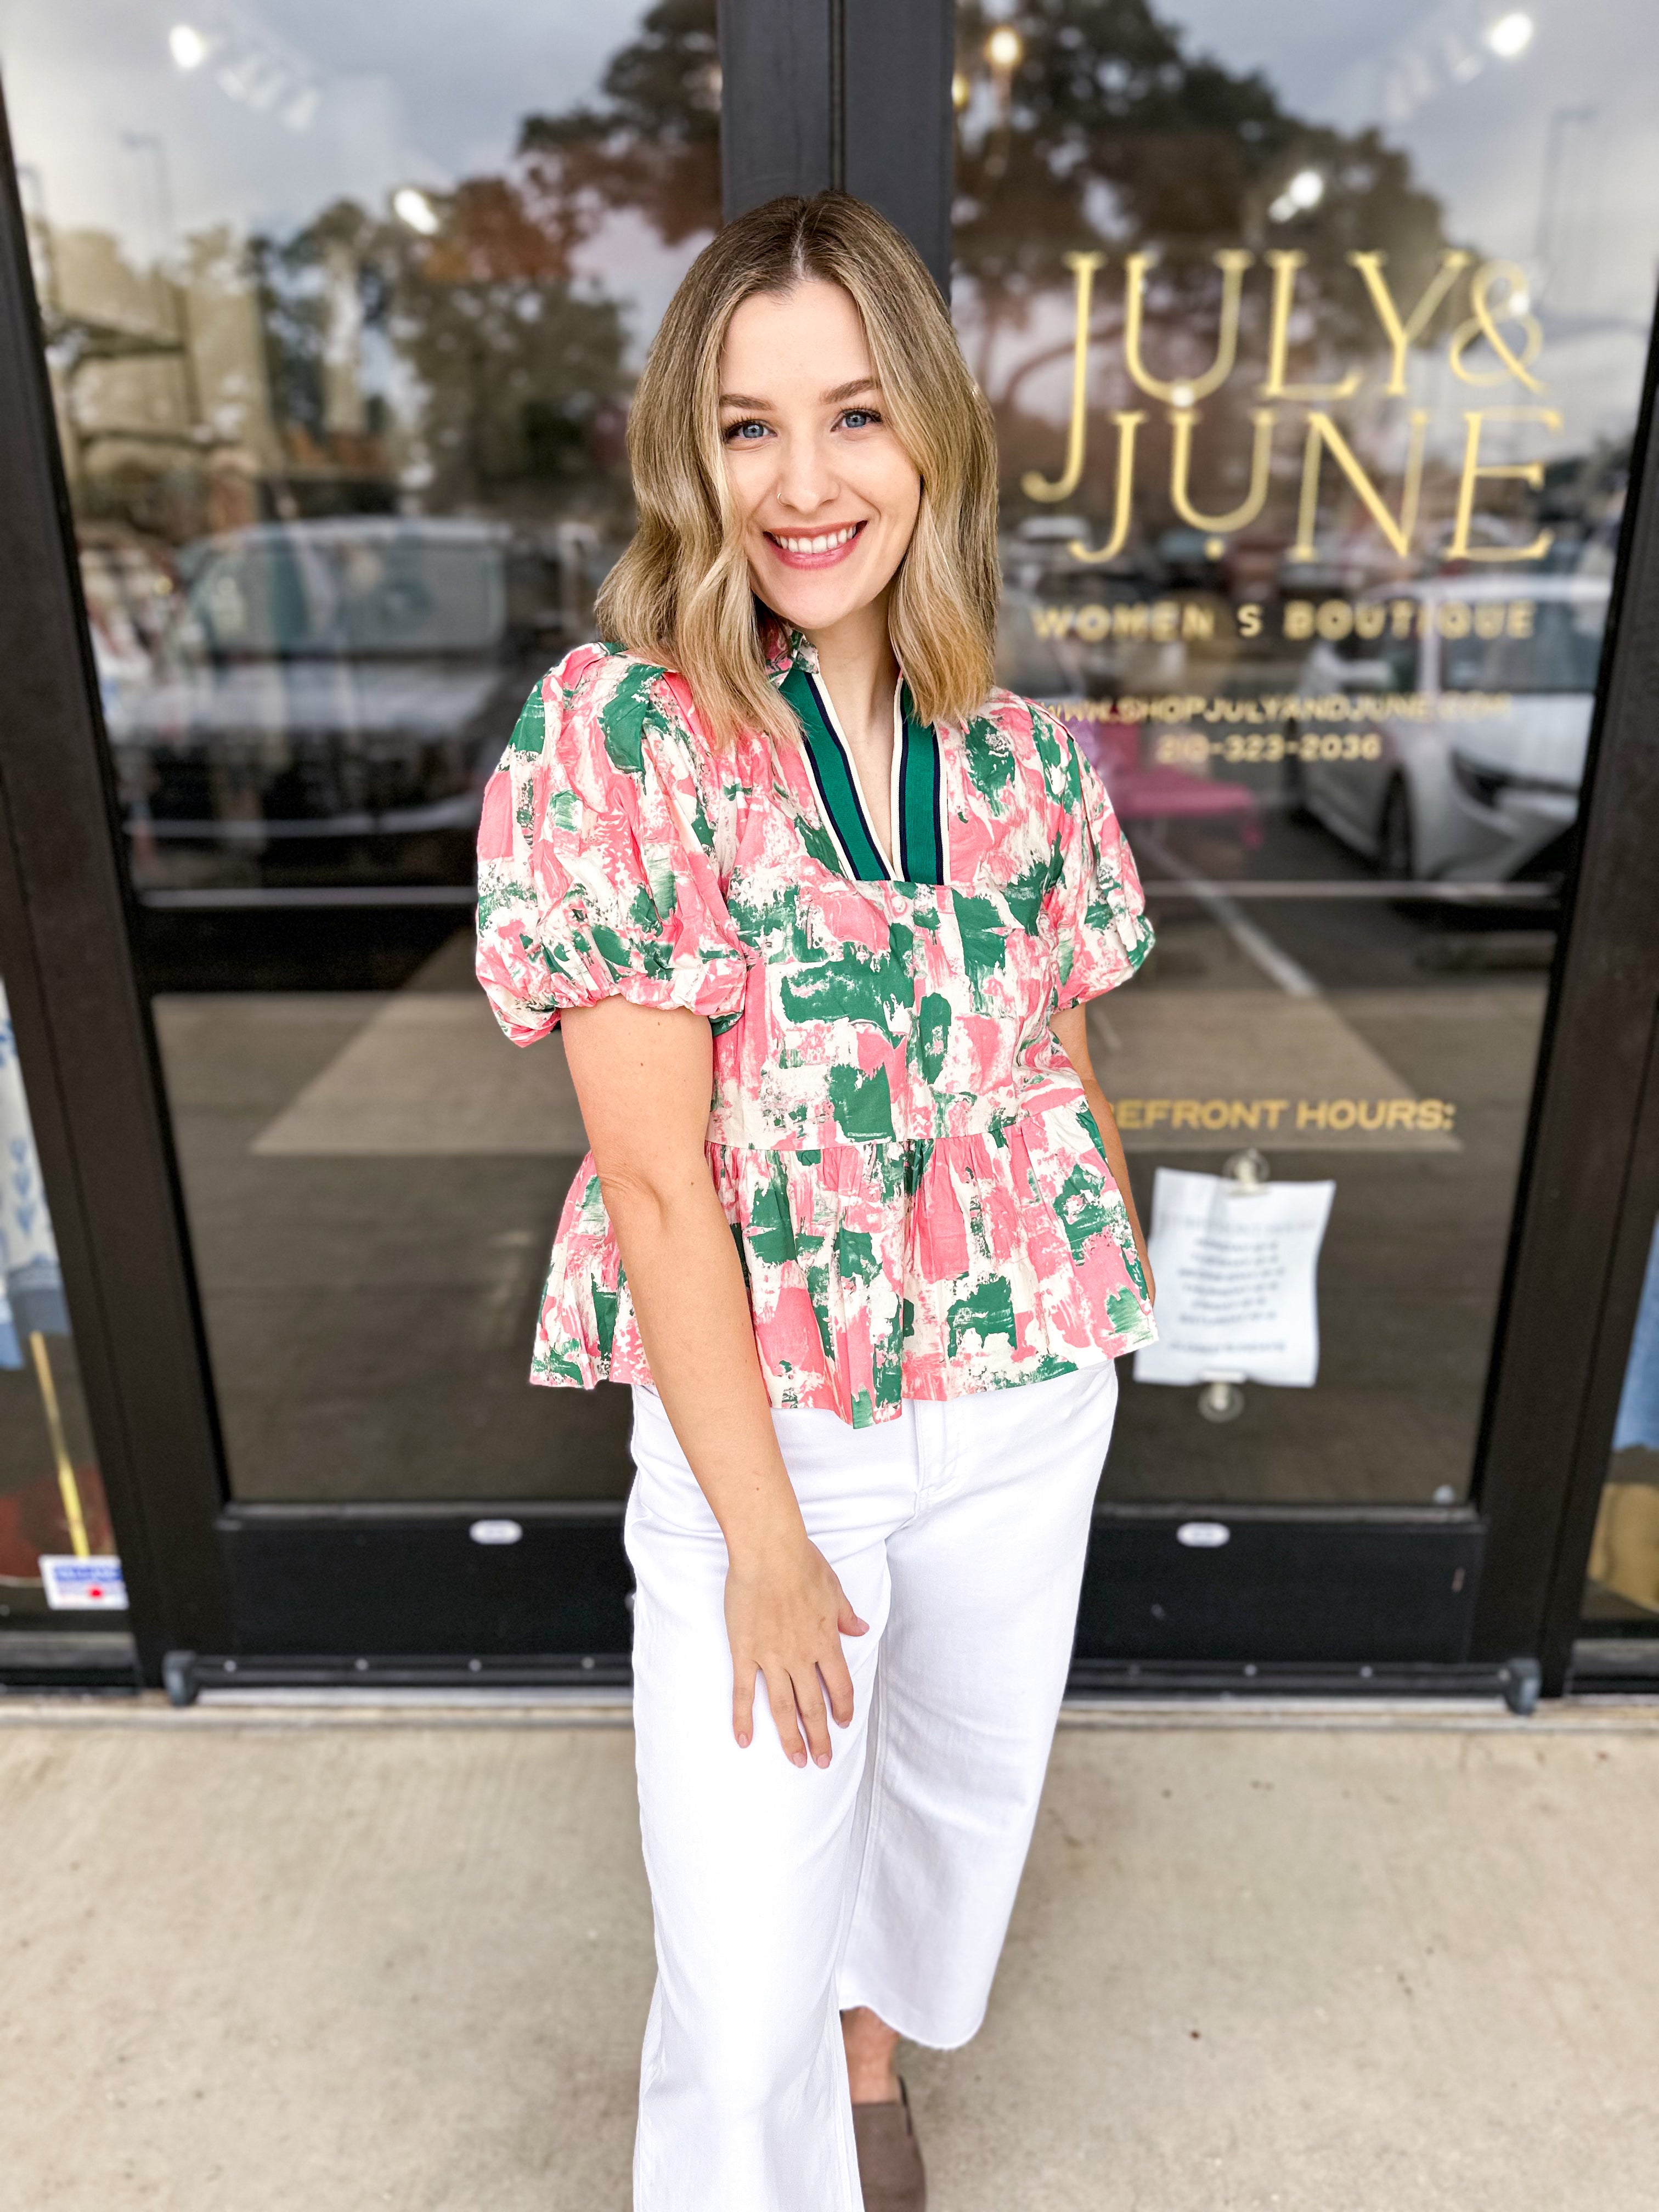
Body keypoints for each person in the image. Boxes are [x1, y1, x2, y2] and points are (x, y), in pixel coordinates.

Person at [476, 190, 1156, 2212]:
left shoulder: (1024, 756)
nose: (804, 479)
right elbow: (660, 1188)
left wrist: (1097, 1315)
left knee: (951, 1819)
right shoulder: (623, 739)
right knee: (742, 1955)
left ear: (930, 436)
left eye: (854, 416)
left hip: (1031, 1404)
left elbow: (1074, 1076)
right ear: (691, 452)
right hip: (787, 1444)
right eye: (750, 425)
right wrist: (766, 1542)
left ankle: (881, 2060)